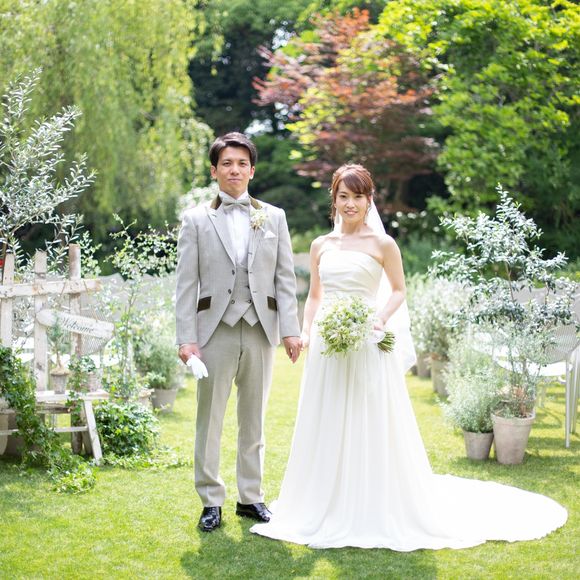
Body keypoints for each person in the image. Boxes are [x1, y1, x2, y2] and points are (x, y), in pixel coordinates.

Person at [251, 163, 567, 550]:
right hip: (328, 348)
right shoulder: (321, 245)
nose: (350, 204)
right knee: (327, 415)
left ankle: (369, 500)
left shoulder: (383, 244)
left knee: (369, 417)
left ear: (369, 200)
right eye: (343, 196)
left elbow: (398, 290)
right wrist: (305, 332)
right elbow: (316, 296)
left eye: (358, 197)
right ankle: (324, 498)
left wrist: (379, 319)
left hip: (368, 341)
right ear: (334, 200)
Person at [175, 132, 301, 532]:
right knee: (209, 419)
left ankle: (250, 497)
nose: (235, 170)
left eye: (242, 163)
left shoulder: (274, 217)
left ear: (252, 170)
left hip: (261, 329)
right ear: (214, 171)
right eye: (227, 163)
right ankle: (210, 500)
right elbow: (185, 285)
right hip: (214, 331)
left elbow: (285, 278)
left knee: (254, 419)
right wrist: (186, 338)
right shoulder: (196, 219)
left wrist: (291, 330)